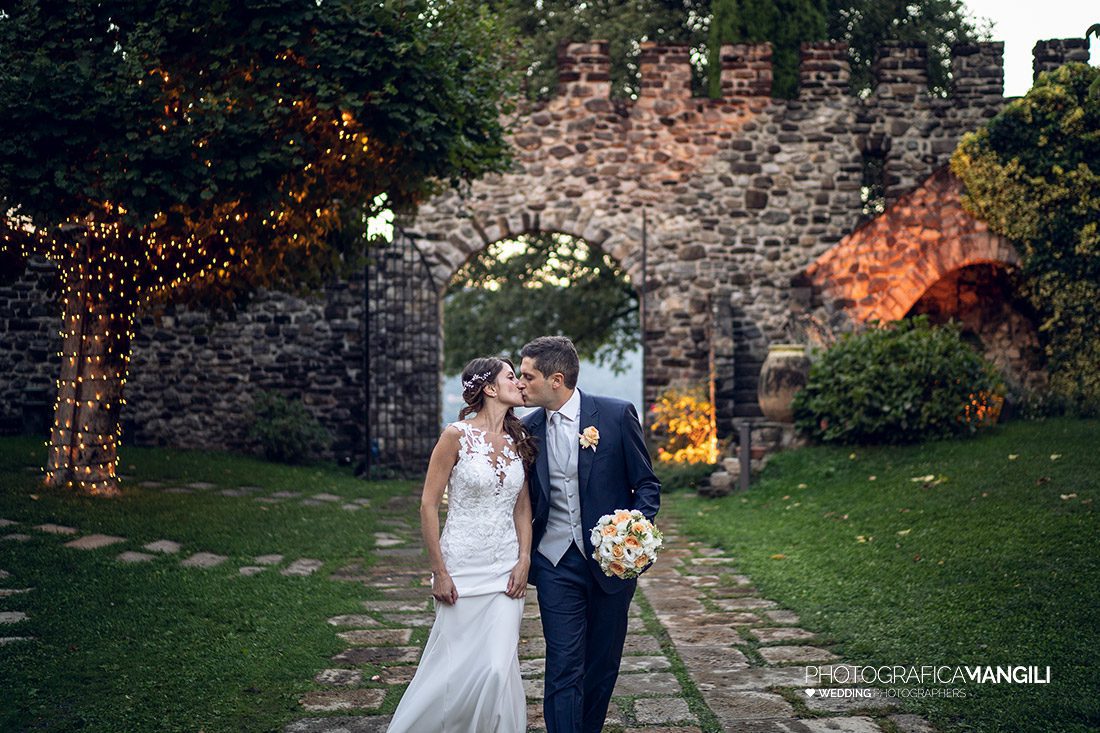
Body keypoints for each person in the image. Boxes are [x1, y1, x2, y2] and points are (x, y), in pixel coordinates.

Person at [518, 336, 661, 733]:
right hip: (554, 564)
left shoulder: (615, 416)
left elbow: (646, 485)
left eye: (528, 376)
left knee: (601, 665)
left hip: (611, 567)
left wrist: (634, 531)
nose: (520, 384)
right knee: (563, 663)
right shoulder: (527, 431)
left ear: (556, 379)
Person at [387, 356, 536, 733]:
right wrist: (439, 571)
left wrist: (524, 559)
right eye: (510, 376)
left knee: (495, 670)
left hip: (505, 570)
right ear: (489, 388)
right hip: (461, 567)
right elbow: (427, 504)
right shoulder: (455, 435)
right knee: (453, 667)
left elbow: (522, 508)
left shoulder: (518, 439)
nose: (519, 383)